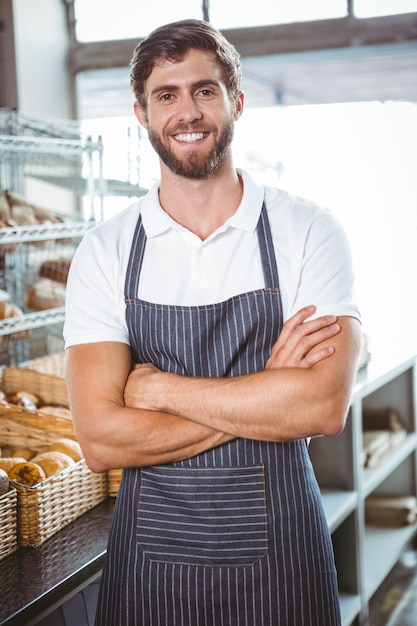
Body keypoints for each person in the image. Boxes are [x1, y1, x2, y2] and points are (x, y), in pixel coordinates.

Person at [64, 18, 362, 626]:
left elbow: (322, 408)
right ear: (142, 114)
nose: (187, 112)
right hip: (150, 567)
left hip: (284, 562)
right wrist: (266, 397)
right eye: (165, 96)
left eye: (205, 90)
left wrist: (160, 390)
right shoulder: (106, 250)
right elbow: (100, 440)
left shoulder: (308, 232)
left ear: (237, 101)